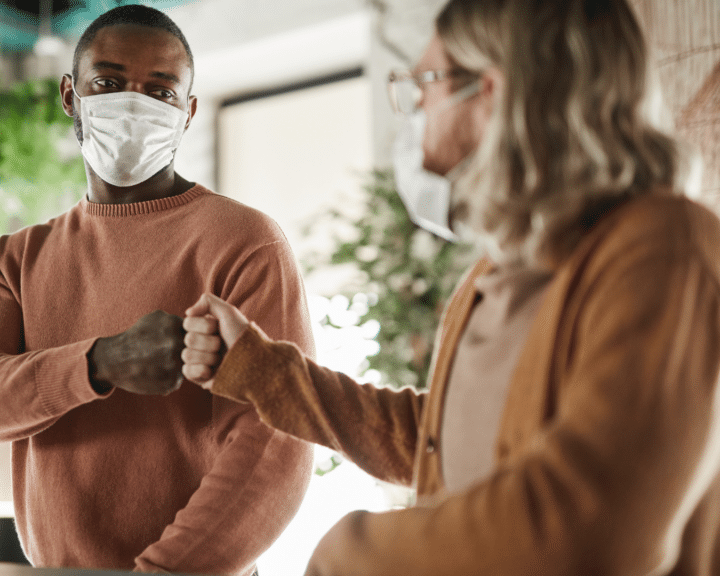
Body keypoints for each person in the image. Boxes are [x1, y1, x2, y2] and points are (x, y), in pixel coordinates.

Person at [182, 0, 720, 574]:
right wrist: (258, 368)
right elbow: (440, 440)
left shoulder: (666, 250)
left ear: (491, 93)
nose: (414, 115)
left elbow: (583, 527)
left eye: (424, 88)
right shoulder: (494, 275)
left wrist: (348, 554)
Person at [0, 5, 314, 575]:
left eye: (160, 92)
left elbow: (275, 448)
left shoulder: (244, 242)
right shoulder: (18, 259)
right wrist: (97, 362)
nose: (133, 106)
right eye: (108, 84)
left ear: (188, 112)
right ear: (70, 96)